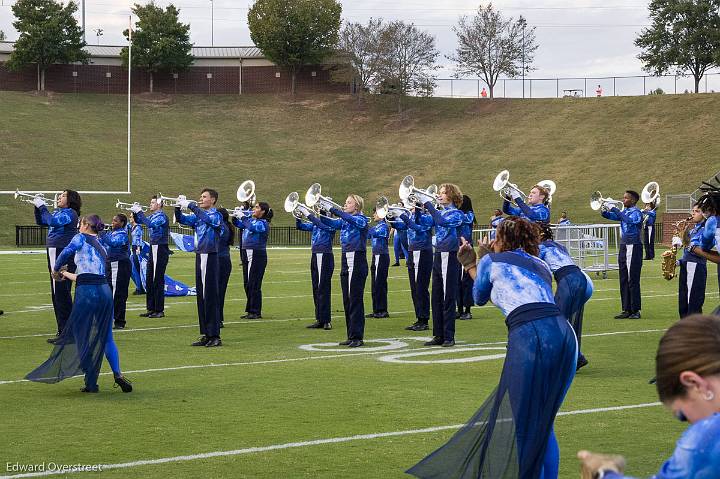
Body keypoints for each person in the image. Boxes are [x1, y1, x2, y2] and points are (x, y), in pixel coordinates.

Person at [408, 217, 577, 478]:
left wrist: (472, 263)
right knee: (545, 421)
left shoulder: (491, 261)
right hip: (565, 334)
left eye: (497, 236)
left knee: (522, 422)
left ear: (503, 239)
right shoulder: (541, 264)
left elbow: (478, 296)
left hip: (531, 335)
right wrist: (485, 260)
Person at [577, 314, 720, 478]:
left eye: (683, 416)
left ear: (694, 383)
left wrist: (603, 473)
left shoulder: (708, 437)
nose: (690, 424)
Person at [26, 215, 132, 394]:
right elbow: (86, 275)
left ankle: (91, 383)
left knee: (82, 336)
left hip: (87, 293)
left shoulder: (80, 237)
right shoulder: (102, 242)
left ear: (85, 225)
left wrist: (56, 269)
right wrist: (65, 274)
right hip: (103, 290)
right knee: (107, 337)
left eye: (79, 224)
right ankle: (118, 374)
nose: (77, 227)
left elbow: (67, 252)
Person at [539, 224, 594, 370]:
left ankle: (568, 359)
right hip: (580, 277)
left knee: (557, 321)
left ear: (540, 235)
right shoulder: (559, 246)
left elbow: (535, 265)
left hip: (567, 280)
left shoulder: (541, 247)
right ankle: (575, 358)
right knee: (571, 321)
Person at [175, 189, 223, 347]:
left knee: (210, 296)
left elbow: (209, 219)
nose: (201, 199)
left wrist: (192, 206)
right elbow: (182, 219)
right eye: (201, 196)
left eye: (204, 197)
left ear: (213, 200)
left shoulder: (216, 215)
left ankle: (215, 335)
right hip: (200, 255)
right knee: (201, 296)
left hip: (210, 256)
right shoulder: (199, 215)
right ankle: (206, 333)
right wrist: (178, 207)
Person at [32, 189, 81, 343]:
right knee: (57, 293)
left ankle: (68, 332)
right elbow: (42, 221)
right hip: (54, 250)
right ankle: (64, 330)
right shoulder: (59, 211)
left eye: (64, 195)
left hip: (61, 251)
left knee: (61, 293)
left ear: (71, 199)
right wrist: (37, 207)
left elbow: (53, 222)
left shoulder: (71, 213)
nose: (60, 197)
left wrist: (42, 207)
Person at [321, 195, 369, 348]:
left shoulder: (362, 219)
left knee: (355, 299)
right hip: (345, 258)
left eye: (349, 202)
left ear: (357, 206)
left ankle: (357, 336)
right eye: (346, 201)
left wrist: (334, 209)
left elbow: (351, 220)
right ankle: (351, 334)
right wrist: (323, 211)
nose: (345, 204)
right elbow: (328, 223)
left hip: (357, 259)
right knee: (347, 300)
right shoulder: (345, 219)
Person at [422, 184, 465, 347]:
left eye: (443, 193)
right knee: (437, 295)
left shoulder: (456, 213)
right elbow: (422, 223)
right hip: (439, 254)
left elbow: (442, 221)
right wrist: (419, 208)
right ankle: (438, 334)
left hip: (450, 254)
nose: (439, 195)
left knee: (448, 296)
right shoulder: (439, 211)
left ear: (452, 196)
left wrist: (428, 203)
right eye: (439, 193)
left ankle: (448, 335)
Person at [601, 190, 644, 319]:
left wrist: (614, 208)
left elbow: (630, 221)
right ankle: (626, 309)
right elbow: (609, 216)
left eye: (626, 198)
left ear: (633, 200)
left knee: (633, 279)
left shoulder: (637, 212)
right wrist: (604, 208)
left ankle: (635, 310)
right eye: (623, 197)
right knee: (624, 278)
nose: (623, 200)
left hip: (634, 246)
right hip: (624, 245)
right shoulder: (624, 211)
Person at [296, 210, 336, 330]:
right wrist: (298, 218)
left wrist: (309, 214)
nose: (321, 214)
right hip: (315, 255)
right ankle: (319, 318)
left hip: (325, 255)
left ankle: (326, 320)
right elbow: (301, 226)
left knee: (323, 288)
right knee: (316, 288)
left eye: (323, 212)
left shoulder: (330, 224)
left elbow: (320, 224)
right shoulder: (315, 224)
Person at [233, 202, 273, 320]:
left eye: (257, 207)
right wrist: (235, 215)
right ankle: (251, 309)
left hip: (257, 254)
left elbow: (251, 227)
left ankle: (255, 311)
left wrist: (243, 216)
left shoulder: (263, 223)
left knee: (254, 284)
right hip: (247, 253)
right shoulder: (251, 220)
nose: (254, 209)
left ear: (263, 211)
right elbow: (238, 224)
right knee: (247, 283)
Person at [397, 205, 434, 331]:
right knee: (414, 288)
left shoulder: (428, 217)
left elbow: (417, 228)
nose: (410, 205)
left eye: (414, 203)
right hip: (413, 252)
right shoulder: (411, 216)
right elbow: (403, 226)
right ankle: (419, 318)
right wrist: (390, 218)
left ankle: (424, 319)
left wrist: (402, 215)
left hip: (423, 252)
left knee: (421, 288)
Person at [132, 195, 169, 319]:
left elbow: (151, 224)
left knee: (157, 279)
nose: (150, 204)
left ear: (159, 204)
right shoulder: (153, 215)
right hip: (154, 247)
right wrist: (135, 211)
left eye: (153, 202)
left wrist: (140, 212)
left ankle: (159, 309)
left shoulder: (161, 216)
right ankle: (151, 308)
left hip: (160, 247)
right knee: (149, 278)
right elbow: (140, 221)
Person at [674, 203, 710, 318]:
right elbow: (687, 253)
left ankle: (694, 331)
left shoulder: (706, 229)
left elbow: (701, 250)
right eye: (693, 210)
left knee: (693, 301)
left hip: (696, 266)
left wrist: (684, 242)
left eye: (697, 211)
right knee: (683, 301)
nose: (693, 213)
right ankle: (685, 328)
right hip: (687, 266)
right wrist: (678, 262)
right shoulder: (694, 229)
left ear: (705, 214)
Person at [100, 213, 132, 330]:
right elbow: (103, 243)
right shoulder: (113, 233)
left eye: (115, 221)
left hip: (119, 264)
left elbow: (113, 243)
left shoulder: (122, 234)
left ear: (122, 223)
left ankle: (118, 320)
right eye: (112, 220)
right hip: (112, 263)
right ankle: (112, 318)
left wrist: (102, 232)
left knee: (117, 293)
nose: (112, 222)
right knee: (110, 291)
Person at [367, 208, 390, 319]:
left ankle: (382, 310)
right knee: (374, 284)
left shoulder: (384, 226)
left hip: (381, 256)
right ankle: (376, 309)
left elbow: (375, 233)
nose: (373, 215)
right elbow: (368, 235)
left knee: (380, 283)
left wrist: (363, 225)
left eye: (375, 213)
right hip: (376, 255)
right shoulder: (377, 226)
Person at [457, 195, 476, 320]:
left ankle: (468, 310)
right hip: (457, 249)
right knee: (457, 281)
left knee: (467, 282)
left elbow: (466, 220)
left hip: (467, 250)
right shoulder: (455, 214)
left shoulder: (469, 214)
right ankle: (459, 309)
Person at [217, 208, 234, 329]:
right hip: (221, 260)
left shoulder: (223, 227)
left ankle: (218, 319)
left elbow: (216, 240)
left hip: (221, 261)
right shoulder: (222, 226)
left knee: (218, 291)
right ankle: (217, 318)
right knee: (217, 291)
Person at [128, 215, 146, 294]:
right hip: (134, 248)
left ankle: (140, 288)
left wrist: (138, 248)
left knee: (137, 269)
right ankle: (140, 287)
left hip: (137, 248)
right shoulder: (132, 227)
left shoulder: (138, 227)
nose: (130, 218)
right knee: (135, 269)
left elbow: (138, 238)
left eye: (131, 217)